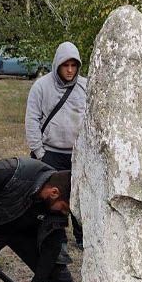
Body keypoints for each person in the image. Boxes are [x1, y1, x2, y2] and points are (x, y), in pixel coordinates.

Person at [25, 42, 86, 247]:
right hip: (49, 152)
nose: (69, 70)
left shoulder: (86, 87)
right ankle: (54, 239)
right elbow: (32, 120)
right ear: (57, 65)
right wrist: (39, 153)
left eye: (73, 65)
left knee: (78, 196)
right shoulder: (41, 87)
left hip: (78, 155)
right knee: (52, 198)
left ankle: (81, 237)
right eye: (65, 65)